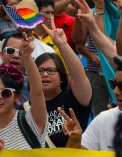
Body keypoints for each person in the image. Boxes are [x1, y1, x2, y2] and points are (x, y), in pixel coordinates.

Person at [0, 35, 47, 154]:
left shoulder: (30, 121)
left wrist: (27, 57)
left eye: (6, 92)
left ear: (17, 96)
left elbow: (37, 92)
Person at [31, 16, 92, 147]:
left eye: (51, 70)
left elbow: (80, 77)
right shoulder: (26, 108)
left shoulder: (73, 99)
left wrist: (62, 44)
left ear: (61, 77)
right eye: (40, 71)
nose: (45, 74)